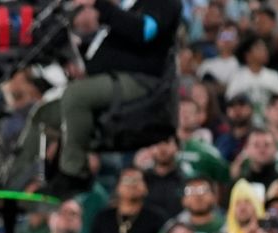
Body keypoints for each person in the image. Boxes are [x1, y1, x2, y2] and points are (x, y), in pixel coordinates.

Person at [13, 0, 181, 198]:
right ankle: (15, 180)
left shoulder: (164, 3)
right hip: (107, 80)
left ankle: (74, 173)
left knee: (76, 95)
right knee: (45, 113)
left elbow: (145, 31)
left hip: (142, 83)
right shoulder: (127, 7)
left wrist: (99, 5)